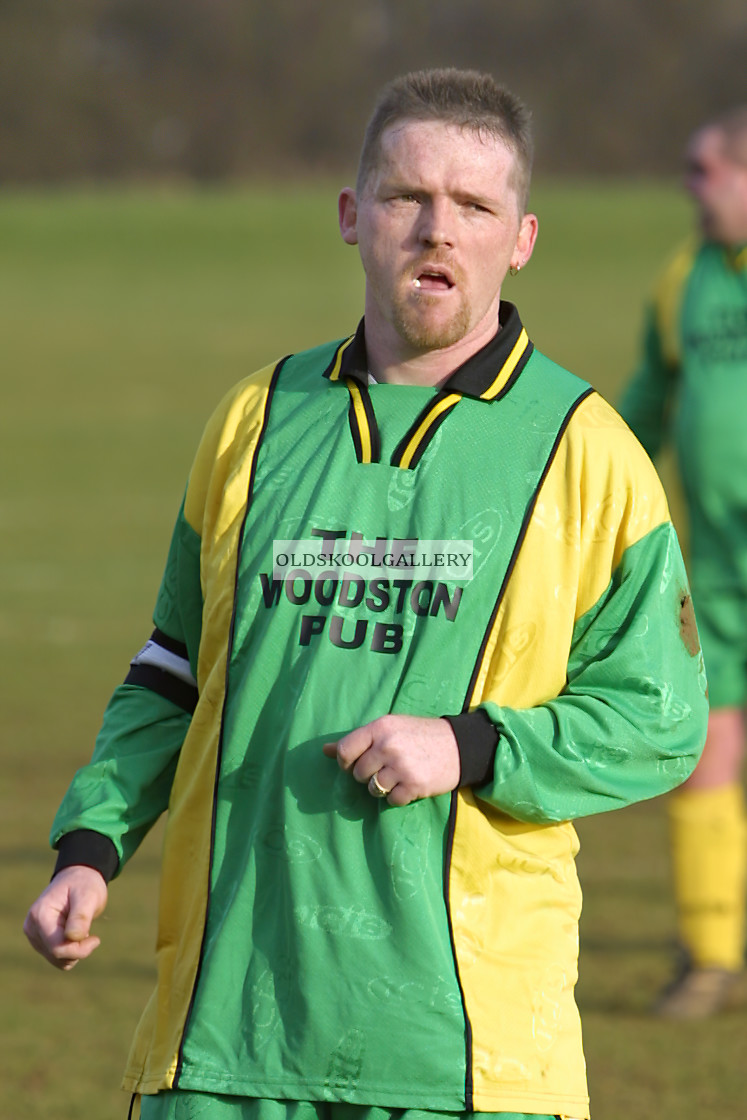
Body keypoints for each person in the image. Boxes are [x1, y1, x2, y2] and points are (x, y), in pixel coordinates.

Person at [24, 68, 707, 1120]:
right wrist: (91, 847)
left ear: (521, 238)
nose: (439, 230)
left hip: (469, 1059)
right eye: (407, 198)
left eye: (475, 207)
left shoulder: (587, 452)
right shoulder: (254, 418)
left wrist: (468, 745)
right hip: (225, 1042)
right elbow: (170, 669)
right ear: (353, 216)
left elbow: (660, 719)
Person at [619, 107, 747, 1020]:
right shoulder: (682, 281)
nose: (687, 187)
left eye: (702, 171)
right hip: (712, 572)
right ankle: (710, 956)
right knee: (704, 749)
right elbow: (640, 412)